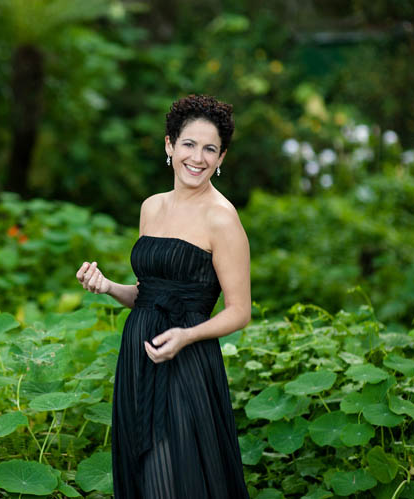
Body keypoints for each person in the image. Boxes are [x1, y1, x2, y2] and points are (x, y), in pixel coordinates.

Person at [76, 94, 251, 498]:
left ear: (222, 158)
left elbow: (239, 312)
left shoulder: (222, 218)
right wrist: (108, 287)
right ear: (169, 145)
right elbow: (149, 295)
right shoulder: (151, 208)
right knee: (140, 472)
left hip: (187, 362)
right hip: (139, 356)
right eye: (189, 144)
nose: (198, 157)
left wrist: (186, 337)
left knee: (175, 476)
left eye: (211, 149)